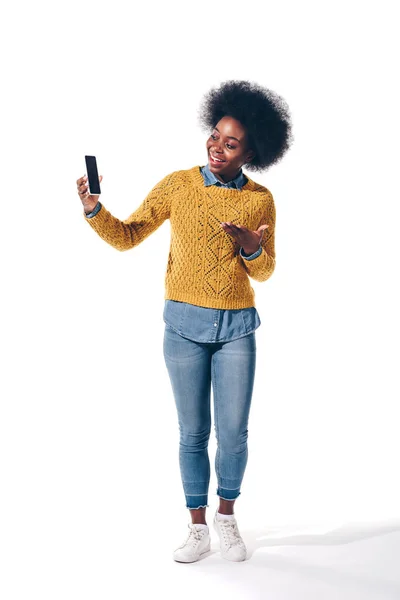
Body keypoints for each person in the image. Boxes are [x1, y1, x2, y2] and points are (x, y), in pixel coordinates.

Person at [76, 79, 293, 563]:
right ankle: (197, 527)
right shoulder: (179, 184)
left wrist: (250, 246)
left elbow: (265, 270)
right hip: (182, 327)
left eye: (230, 143)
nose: (217, 147)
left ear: (251, 151)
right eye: (214, 135)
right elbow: (129, 235)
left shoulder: (260, 201)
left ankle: (227, 517)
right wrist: (94, 209)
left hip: (237, 327)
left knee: (233, 432)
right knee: (192, 433)